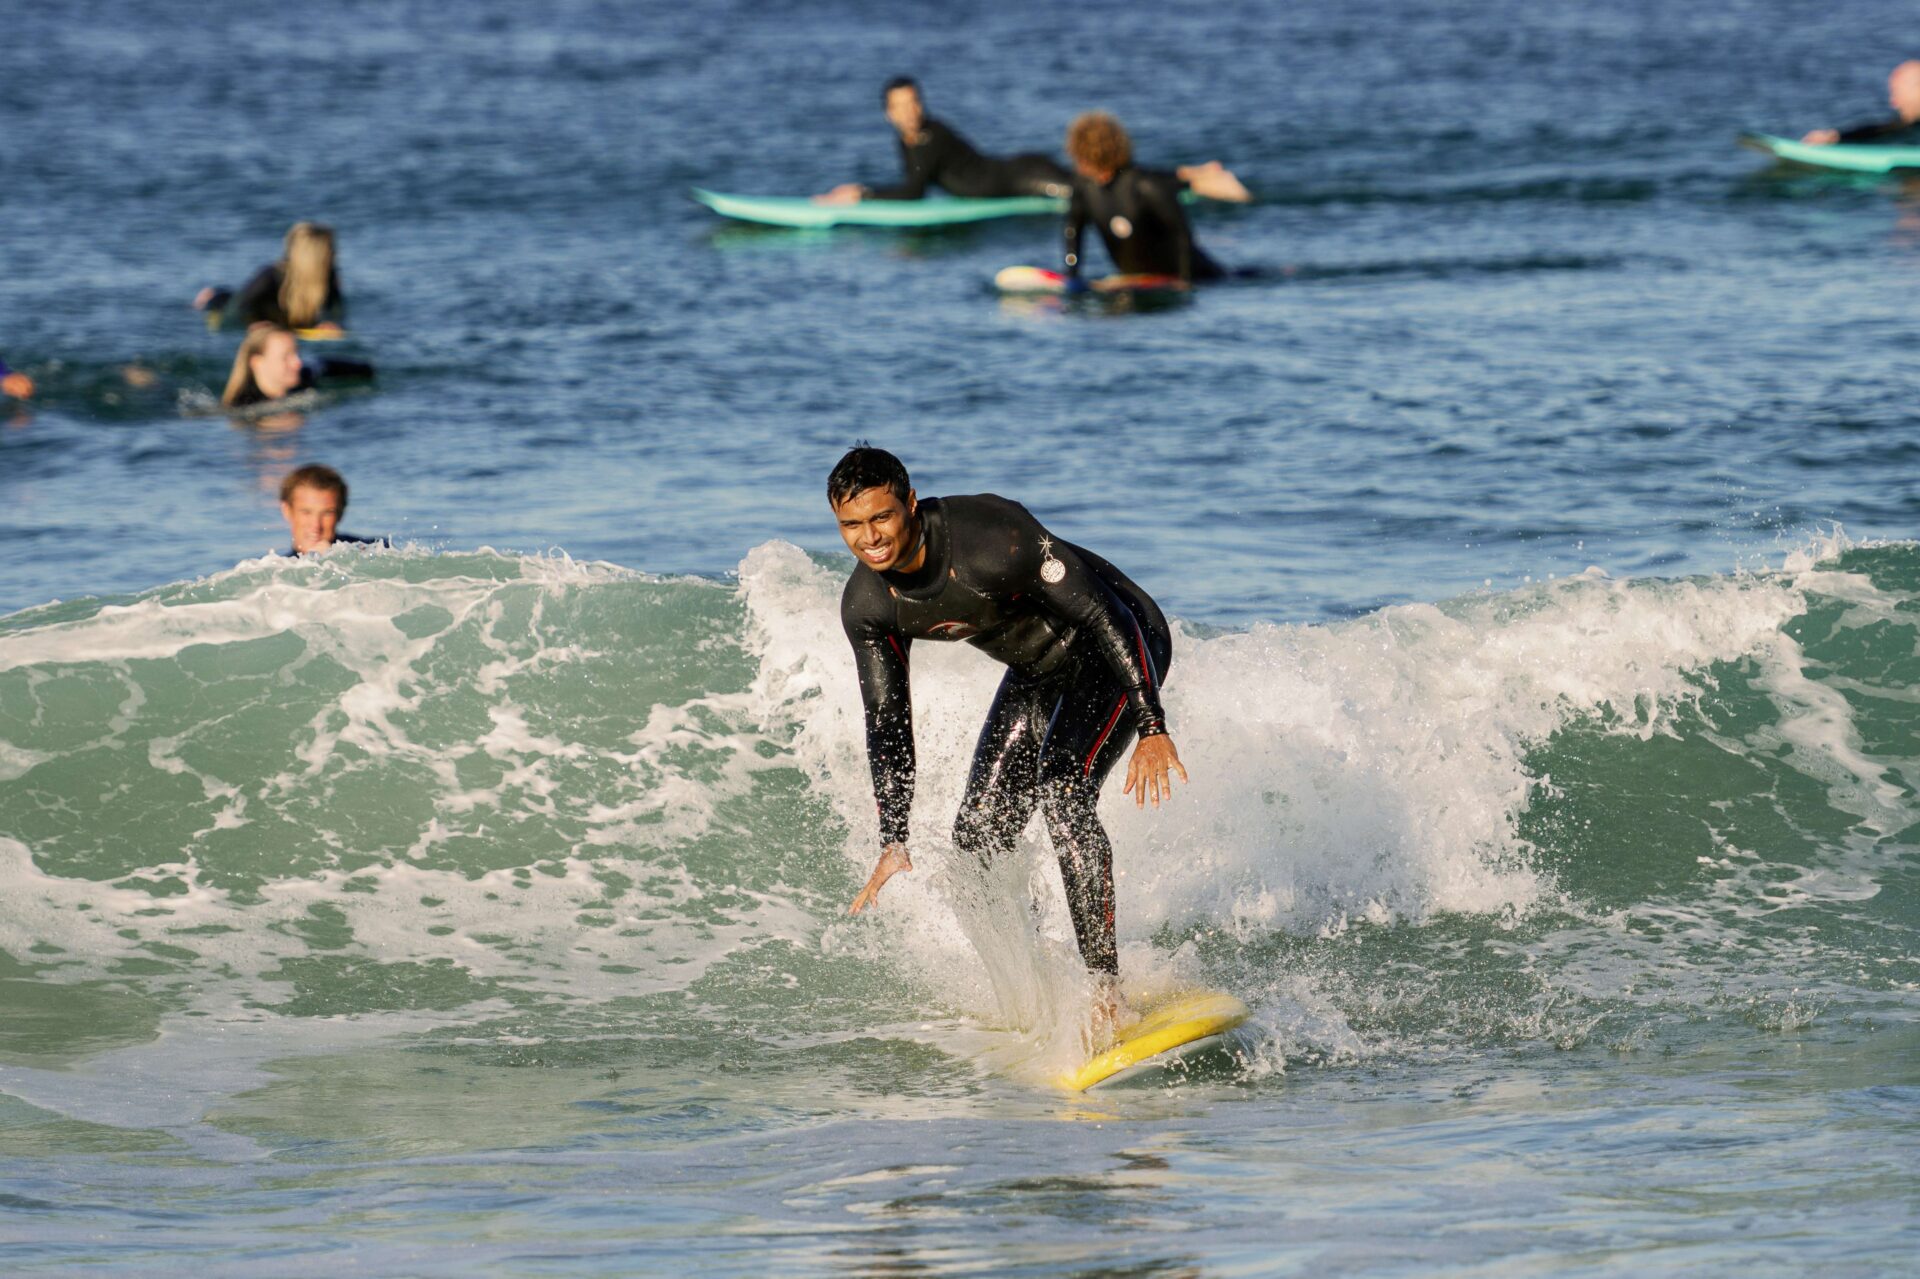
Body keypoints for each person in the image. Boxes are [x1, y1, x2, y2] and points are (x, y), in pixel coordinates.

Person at [830, 446, 1187, 1037]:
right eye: (851, 525)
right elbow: (888, 721)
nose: (870, 538)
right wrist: (893, 837)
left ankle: (1107, 991)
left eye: (882, 517)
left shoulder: (993, 538)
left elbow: (1106, 614)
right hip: (1037, 670)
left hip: (1121, 643)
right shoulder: (869, 606)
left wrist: (1152, 724)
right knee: (976, 841)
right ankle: (1044, 975)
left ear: (910, 505)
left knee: (1062, 789)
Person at [818, 77, 1249, 205]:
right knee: (1098, 180)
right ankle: (1190, 172)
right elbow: (917, 183)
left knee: (1098, 185)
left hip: (1024, 178)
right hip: (1016, 171)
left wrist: (862, 193)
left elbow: (914, 192)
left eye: (915, 102)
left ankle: (1193, 180)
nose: (911, 110)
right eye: (902, 105)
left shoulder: (931, 137)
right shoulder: (909, 138)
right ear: (888, 114)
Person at [1062, 111, 1223, 285]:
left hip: (1203, 277)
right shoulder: (1083, 189)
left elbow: (1182, 234)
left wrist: (1184, 281)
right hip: (1139, 281)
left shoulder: (1147, 186)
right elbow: (1073, 233)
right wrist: (1072, 278)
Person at [195, 222, 347, 332]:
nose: (335, 254)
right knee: (215, 301)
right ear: (315, 256)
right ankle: (212, 294)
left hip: (279, 320)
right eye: (330, 249)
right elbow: (231, 317)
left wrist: (331, 323)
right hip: (223, 305)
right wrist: (251, 324)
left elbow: (337, 315)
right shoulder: (270, 277)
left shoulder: (330, 279)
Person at [221, 326, 373, 411]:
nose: (298, 363)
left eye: (297, 353)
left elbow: (324, 364)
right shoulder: (244, 408)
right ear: (257, 362)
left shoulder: (304, 376)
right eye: (286, 357)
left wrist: (365, 369)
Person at [1802, 60, 1920, 144]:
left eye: (1896, 93)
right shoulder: (1906, 125)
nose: (1893, 102)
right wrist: (1837, 137)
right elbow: (1881, 130)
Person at [278, 464, 383, 555]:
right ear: (286, 510)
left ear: (341, 513)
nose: (316, 525)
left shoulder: (373, 549)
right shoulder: (275, 572)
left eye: (327, 513)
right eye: (306, 512)